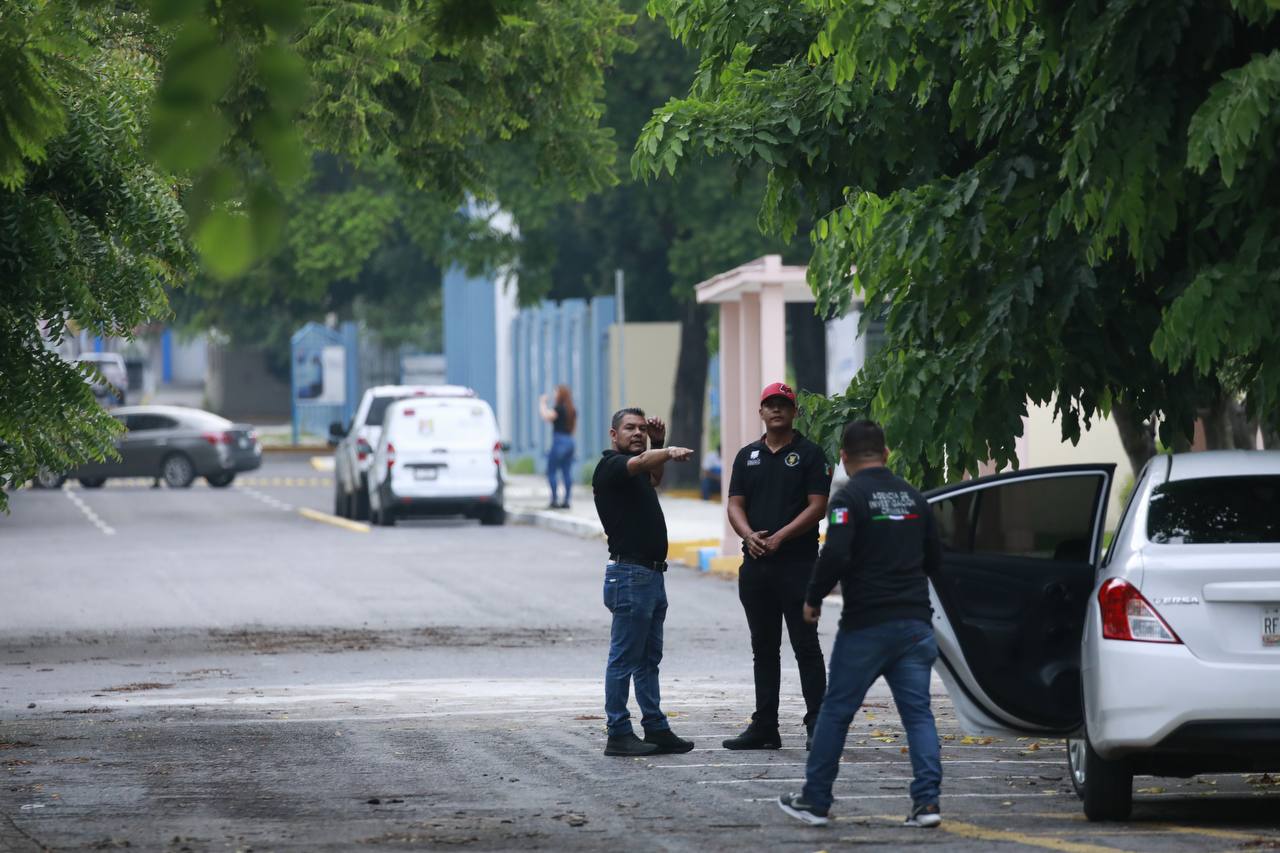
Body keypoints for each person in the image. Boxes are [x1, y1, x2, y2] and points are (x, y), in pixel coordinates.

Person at [777, 420, 943, 829]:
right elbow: (937, 560)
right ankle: (927, 805)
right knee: (918, 715)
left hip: (867, 625)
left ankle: (815, 801)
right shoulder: (913, 498)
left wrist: (813, 598)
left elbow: (834, 554)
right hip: (915, 625)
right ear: (886, 454)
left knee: (835, 713)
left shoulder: (849, 497)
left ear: (845, 459)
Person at [723, 382, 831, 751]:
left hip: (798, 564)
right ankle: (765, 725)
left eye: (783, 405)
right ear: (761, 412)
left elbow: (818, 504)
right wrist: (749, 534)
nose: (776, 410)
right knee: (763, 647)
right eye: (769, 404)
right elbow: (735, 504)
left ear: (794, 412)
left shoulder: (810, 454)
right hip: (755, 565)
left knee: (806, 645)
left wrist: (781, 536)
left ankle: (819, 723)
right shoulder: (747, 456)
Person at [592, 407, 696, 757]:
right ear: (613, 434)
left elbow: (653, 478)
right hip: (629, 575)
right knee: (624, 658)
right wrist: (667, 450)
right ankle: (618, 731)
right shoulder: (611, 466)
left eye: (641, 429)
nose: (637, 433)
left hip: (651, 575)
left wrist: (659, 443)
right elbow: (640, 465)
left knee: (648, 659)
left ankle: (655, 726)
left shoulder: (637, 469)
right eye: (629, 428)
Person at [539, 386, 577, 509]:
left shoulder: (559, 408)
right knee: (566, 472)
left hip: (559, 441)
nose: (554, 395)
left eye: (556, 392)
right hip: (570, 441)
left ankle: (554, 500)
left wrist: (542, 403)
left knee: (552, 471)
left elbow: (546, 416)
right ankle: (566, 500)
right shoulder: (572, 410)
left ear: (561, 394)